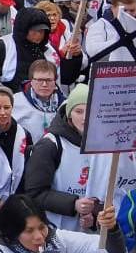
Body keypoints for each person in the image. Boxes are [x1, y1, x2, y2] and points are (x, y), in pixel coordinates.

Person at [21, 85, 117, 233]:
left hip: (89, 234)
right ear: (69, 113)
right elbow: (35, 193)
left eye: (90, 111)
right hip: (56, 230)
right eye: (79, 111)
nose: (85, 118)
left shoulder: (104, 143)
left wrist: (94, 213)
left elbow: (105, 191)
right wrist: (74, 204)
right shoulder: (51, 144)